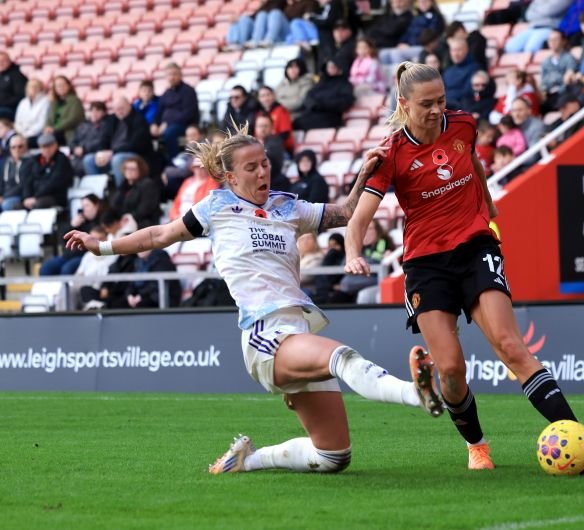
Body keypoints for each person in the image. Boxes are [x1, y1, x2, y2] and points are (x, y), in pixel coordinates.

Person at [64, 124, 444, 475]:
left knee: (333, 457)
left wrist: (365, 172)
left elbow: (346, 213)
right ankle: (417, 394)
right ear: (230, 177)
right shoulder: (215, 208)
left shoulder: (286, 206)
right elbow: (157, 237)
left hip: (299, 326)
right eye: (251, 167)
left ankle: (247, 459)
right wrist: (103, 246)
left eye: (264, 163)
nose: (262, 172)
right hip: (266, 334)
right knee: (341, 357)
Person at [343, 61, 584, 470]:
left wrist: (486, 202)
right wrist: (353, 252)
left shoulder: (464, 125)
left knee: (510, 346)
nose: (437, 110)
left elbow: (473, 163)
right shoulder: (389, 155)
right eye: (426, 104)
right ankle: (477, 444)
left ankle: (583, 441)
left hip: (475, 247)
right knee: (451, 369)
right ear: (403, 104)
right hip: (426, 264)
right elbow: (359, 218)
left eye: (441, 101)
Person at [86, 95, 153, 187]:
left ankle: (121, 191)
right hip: (112, 154)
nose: (119, 112)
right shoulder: (112, 119)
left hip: (135, 155)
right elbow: (103, 139)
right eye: (116, 109)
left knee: (118, 159)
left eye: (122, 108)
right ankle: (96, 194)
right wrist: (100, 153)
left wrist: (113, 152)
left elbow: (136, 145)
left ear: (129, 106)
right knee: (89, 160)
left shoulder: (139, 120)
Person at [39, 194, 103, 276]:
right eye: (83, 206)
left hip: (86, 256)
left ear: (96, 206)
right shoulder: (79, 221)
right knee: (46, 268)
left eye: (87, 206)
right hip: (69, 255)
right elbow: (63, 239)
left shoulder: (101, 221)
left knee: (66, 269)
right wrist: (72, 226)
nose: (84, 209)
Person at [150, 63, 200, 160]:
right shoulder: (166, 93)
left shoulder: (188, 91)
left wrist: (167, 124)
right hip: (166, 126)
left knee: (170, 133)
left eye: (174, 74)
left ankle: (175, 161)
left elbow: (188, 114)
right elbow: (159, 112)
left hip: (184, 124)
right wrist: (154, 124)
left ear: (180, 75)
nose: (172, 77)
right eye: (169, 75)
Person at [293, 59, 355, 131]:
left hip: (331, 116)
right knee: (295, 123)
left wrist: (322, 104)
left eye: (334, 66)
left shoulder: (345, 84)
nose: (331, 69)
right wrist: (314, 104)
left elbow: (345, 101)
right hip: (312, 113)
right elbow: (309, 96)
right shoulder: (321, 82)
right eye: (329, 67)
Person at [21, 132, 73, 210]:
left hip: (55, 196)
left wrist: (36, 197)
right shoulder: (35, 160)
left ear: (55, 145)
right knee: (17, 206)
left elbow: (54, 182)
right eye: (43, 147)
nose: (46, 150)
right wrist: (27, 197)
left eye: (49, 146)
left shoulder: (61, 159)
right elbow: (27, 180)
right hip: (35, 196)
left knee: (39, 204)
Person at [110, 156, 161, 229]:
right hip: (124, 222)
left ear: (140, 170)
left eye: (133, 169)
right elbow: (114, 206)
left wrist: (128, 218)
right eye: (127, 168)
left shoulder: (148, 184)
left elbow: (145, 209)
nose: (129, 171)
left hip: (144, 223)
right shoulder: (123, 185)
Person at [69, 101, 112, 177]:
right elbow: (73, 140)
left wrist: (84, 149)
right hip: (78, 156)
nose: (94, 113)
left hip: (96, 155)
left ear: (104, 112)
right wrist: (74, 148)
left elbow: (102, 142)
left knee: (87, 161)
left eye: (98, 110)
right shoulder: (83, 125)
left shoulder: (107, 125)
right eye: (92, 110)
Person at [43, 75, 85, 146]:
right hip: (53, 132)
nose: (61, 88)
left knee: (50, 140)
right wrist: (47, 127)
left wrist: (54, 128)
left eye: (63, 85)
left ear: (68, 86)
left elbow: (74, 119)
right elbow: (49, 118)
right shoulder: (54, 102)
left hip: (67, 133)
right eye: (58, 86)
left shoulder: (75, 101)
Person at [256, 85, 294, 153]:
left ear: (274, 96)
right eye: (262, 96)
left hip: (282, 149)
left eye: (268, 95)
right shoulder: (259, 114)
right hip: (263, 148)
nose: (266, 98)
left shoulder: (281, 110)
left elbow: (285, 134)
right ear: (259, 99)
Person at [14, 78, 49, 148]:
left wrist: (27, 135)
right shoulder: (23, 102)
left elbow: (41, 123)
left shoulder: (46, 101)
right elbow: (17, 122)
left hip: (36, 134)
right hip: (22, 134)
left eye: (35, 86)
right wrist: (22, 134)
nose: (33, 88)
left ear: (41, 88)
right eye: (30, 86)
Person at [0, 134, 29, 211]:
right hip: (6, 195)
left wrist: (4, 196)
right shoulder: (7, 163)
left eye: (20, 146)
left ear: (26, 147)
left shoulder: (30, 162)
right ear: (10, 149)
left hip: (19, 196)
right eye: (13, 147)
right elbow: (1, 182)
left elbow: (23, 184)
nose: (17, 149)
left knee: (7, 204)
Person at [0, 51, 27, 121]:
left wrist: (3, 102)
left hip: (11, 109)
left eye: (3, 61)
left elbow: (21, 96)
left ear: (9, 61)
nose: (1, 63)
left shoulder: (17, 76)